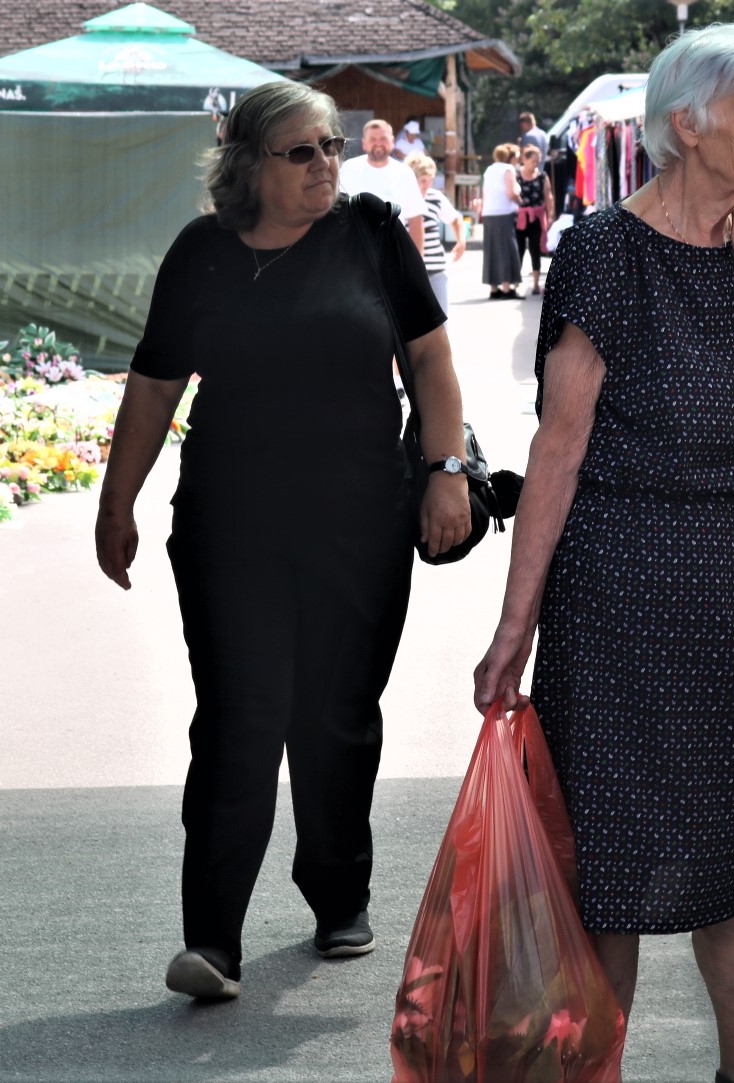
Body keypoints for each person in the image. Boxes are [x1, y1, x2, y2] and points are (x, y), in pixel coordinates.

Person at [472, 23, 734, 1083]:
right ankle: (598, 1067)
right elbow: (560, 446)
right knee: (610, 862)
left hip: (732, 591)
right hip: (619, 592)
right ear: (689, 124)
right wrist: (513, 628)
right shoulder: (603, 249)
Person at [96, 79, 471, 1001]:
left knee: (336, 710)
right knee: (238, 714)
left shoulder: (372, 234)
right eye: (300, 151)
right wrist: (118, 502)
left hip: (361, 518)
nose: (323, 167)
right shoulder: (202, 253)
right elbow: (153, 384)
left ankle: (337, 892)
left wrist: (446, 469)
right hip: (231, 523)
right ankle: (211, 937)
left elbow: (427, 357)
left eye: (330, 147)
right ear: (248, 164)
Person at [340, 118, 426, 253]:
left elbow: (415, 220)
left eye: (383, 139)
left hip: (392, 253)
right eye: (372, 139)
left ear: (392, 142)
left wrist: (418, 265)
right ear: (364, 143)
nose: (378, 143)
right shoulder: (348, 169)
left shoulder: (404, 173)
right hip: (353, 253)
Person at [405, 153, 465, 311]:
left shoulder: (435, 197)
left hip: (436, 269)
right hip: (408, 272)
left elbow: (455, 219)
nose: (427, 185)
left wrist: (461, 242)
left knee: (442, 320)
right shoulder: (400, 199)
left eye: (430, 179)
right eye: (423, 180)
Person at [478, 144, 522, 299]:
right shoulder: (508, 169)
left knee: (492, 249)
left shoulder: (489, 169)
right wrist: (520, 202)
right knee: (506, 249)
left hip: (489, 212)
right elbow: (511, 193)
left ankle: (493, 287)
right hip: (504, 212)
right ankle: (506, 287)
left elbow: (484, 192)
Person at [514, 145, 553, 296]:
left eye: (538, 161)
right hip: (520, 218)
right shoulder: (516, 175)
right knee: (519, 249)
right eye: (533, 161)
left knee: (535, 250)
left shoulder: (542, 176)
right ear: (525, 159)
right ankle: (516, 282)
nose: (536, 164)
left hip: (536, 217)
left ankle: (536, 284)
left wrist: (550, 215)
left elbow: (548, 196)